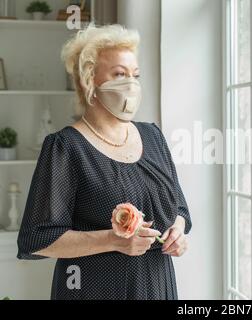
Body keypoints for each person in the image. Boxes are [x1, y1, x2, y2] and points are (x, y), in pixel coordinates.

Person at [16, 23, 192, 300]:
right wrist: (113, 240)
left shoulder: (153, 135)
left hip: (157, 285)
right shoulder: (65, 147)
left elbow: (179, 208)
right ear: (90, 82)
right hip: (95, 289)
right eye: (120, 74)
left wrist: (178, 233)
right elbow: (38, 239)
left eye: (136, 75)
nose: (132, 84)